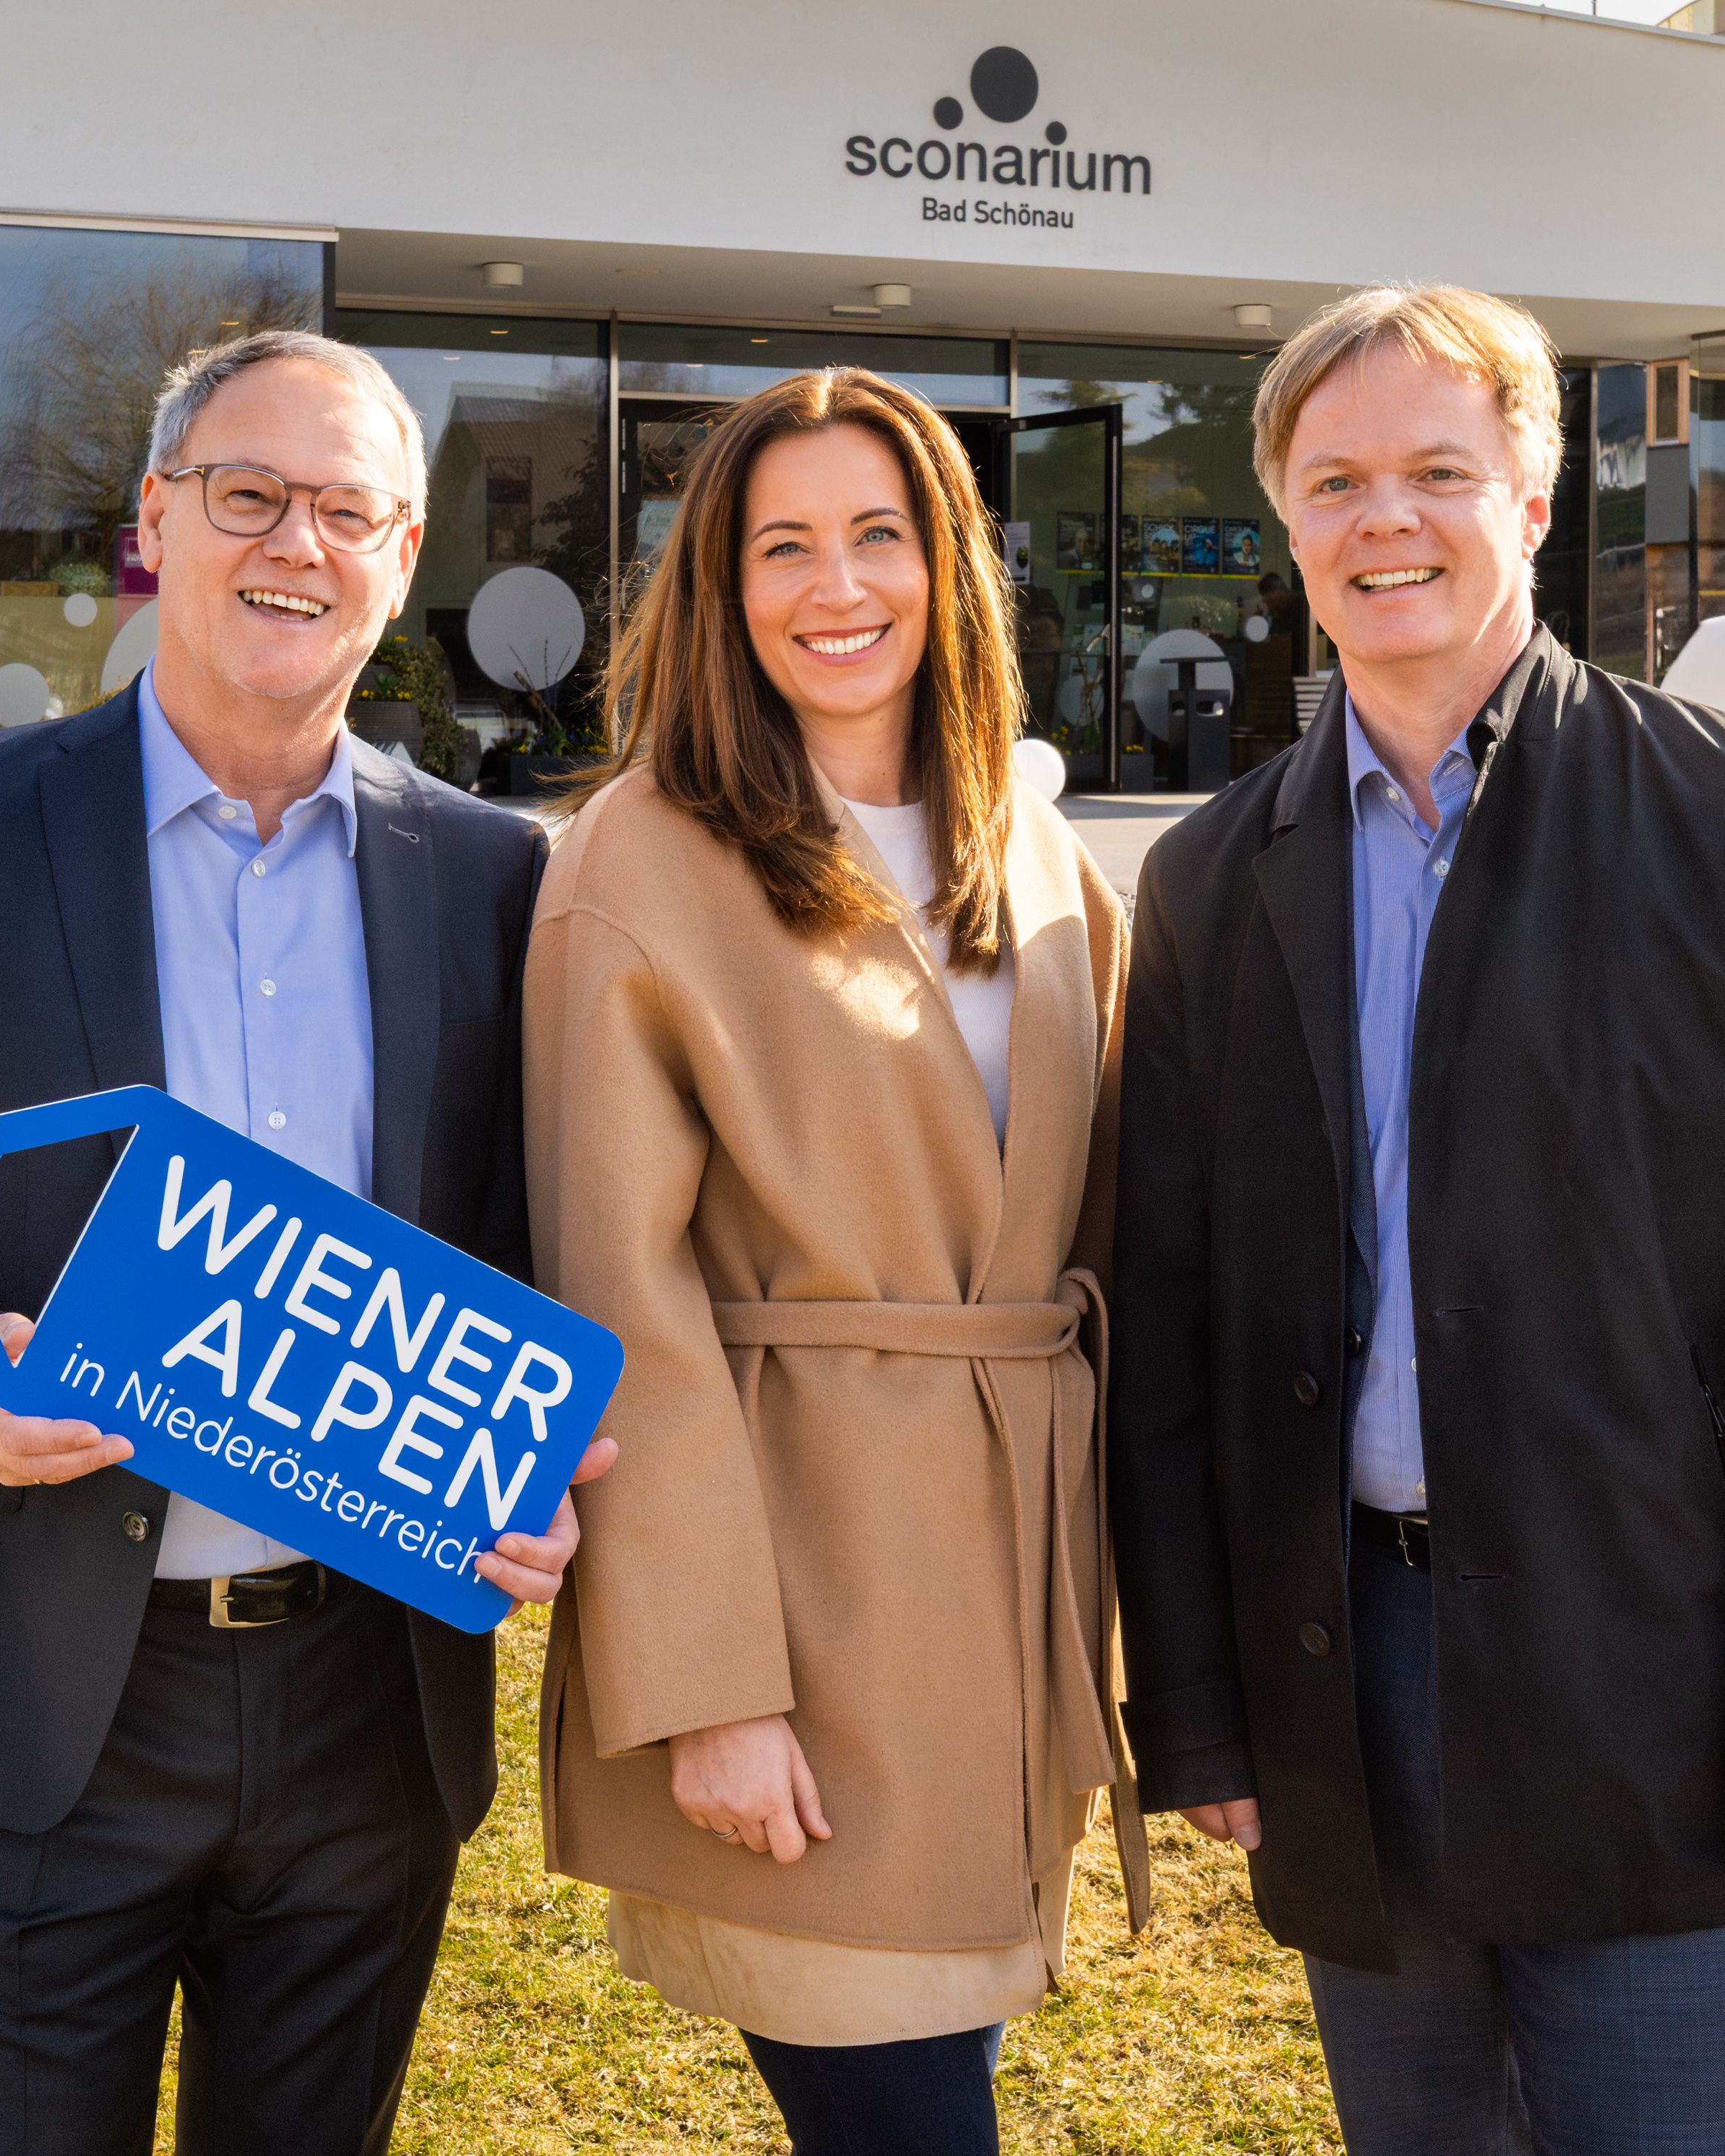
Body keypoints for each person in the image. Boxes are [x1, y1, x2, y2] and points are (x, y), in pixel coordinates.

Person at [0, 328, 611, 2155]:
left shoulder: (492, 877)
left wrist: (540, 1457)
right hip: (44, 1691)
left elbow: (526, 1255)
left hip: (369, 1699)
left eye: (344, 510)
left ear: (404, 550)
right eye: (249, 496)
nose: (295, 543)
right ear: (157, 524)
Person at [1109, 284, 1725, 2155]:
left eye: (1434, 471)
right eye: (1334, 481)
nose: (1382, 518)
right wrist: (1206, 1711)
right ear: (1288, 524)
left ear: (1536, 500)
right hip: (1344, 1681)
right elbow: (1170, 1326)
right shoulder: (1210, 879)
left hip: (1652, 1679)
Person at [523, 367, 1141, 2156]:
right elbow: (614, 1293)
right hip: (800, 1598)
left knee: (946, 2078)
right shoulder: (642, 856)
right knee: (903, 2114)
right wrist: (707, 1684)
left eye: (880, 533)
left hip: (1008, 1597)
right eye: (781, 546)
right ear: (718, 592)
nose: (836, 584)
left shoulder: (1029, 837)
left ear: (950, 565)